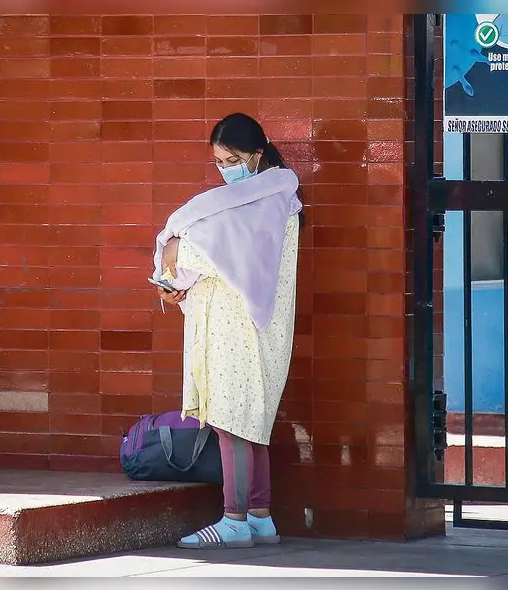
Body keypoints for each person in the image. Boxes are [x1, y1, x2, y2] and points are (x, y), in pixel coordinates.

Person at [151, 113, 303, 549]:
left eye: (234, 159)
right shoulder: (261, 199)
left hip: (244, 328)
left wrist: (176, 253)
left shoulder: (270, 200)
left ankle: (234, 519)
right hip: (244, 326)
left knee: (233, 422)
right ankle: (259, 516)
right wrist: (174, 269)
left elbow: (220, 254)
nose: (226, 169)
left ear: (258, 154)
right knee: (249, 423)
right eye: (219, 161)